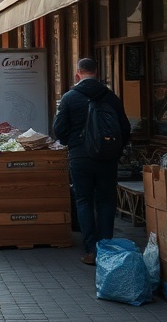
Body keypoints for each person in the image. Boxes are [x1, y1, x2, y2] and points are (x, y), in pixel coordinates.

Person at [53, 57, 131, 265]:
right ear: (97, 72)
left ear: (78, 73)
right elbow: (125, 128)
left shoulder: (70, 98)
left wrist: (73, 142)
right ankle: (106, 248)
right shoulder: (112, 97)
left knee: (83, 200)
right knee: (106, 200)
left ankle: (91, 250)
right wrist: (114, 149)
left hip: (80, 157)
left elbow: (59, 130)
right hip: (107, 158)